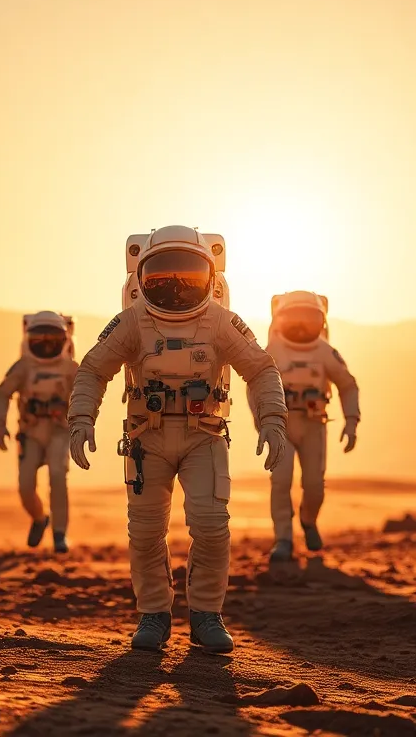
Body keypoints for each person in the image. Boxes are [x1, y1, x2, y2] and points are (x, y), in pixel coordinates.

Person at [68, 226, 289, 653]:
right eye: (161, 276)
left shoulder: (222, 323)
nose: (173, 286)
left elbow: (261, 370)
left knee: (210, 525)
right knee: (146, 531)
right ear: (140, 278)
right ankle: (154, 613)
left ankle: (206, 613)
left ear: (210, 278)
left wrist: (273, 419)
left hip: (202, 435)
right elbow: (93, 369)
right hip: (145, 436)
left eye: (187, 276)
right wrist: (81, 418)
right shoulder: (132, 322)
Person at [260, 290, 360, 562]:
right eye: (294, 319)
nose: (302, 326)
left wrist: (351, 421)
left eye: (308, 319)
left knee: (314, 485)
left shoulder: (325, 352)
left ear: (321, 321)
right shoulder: (272, 352)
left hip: (314, 425)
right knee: (280, 482)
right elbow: (256, 387)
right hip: (283, 425)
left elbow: (347, 386)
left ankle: (308, 520)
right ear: (279, 319)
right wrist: (265, 422)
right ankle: (283, 538)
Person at [0, 312, 79, 552]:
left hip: (59, 430)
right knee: (25, 485)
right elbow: (2, 393)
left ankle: (60, 534)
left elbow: (86, 393)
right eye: (39, 339)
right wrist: (0, 425)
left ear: (65, 338)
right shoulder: (23, 367)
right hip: (30, 431)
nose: (46, 344)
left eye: (52, 338)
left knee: (58, 476)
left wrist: (82, 422)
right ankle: (40, 518)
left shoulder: (71, 368)